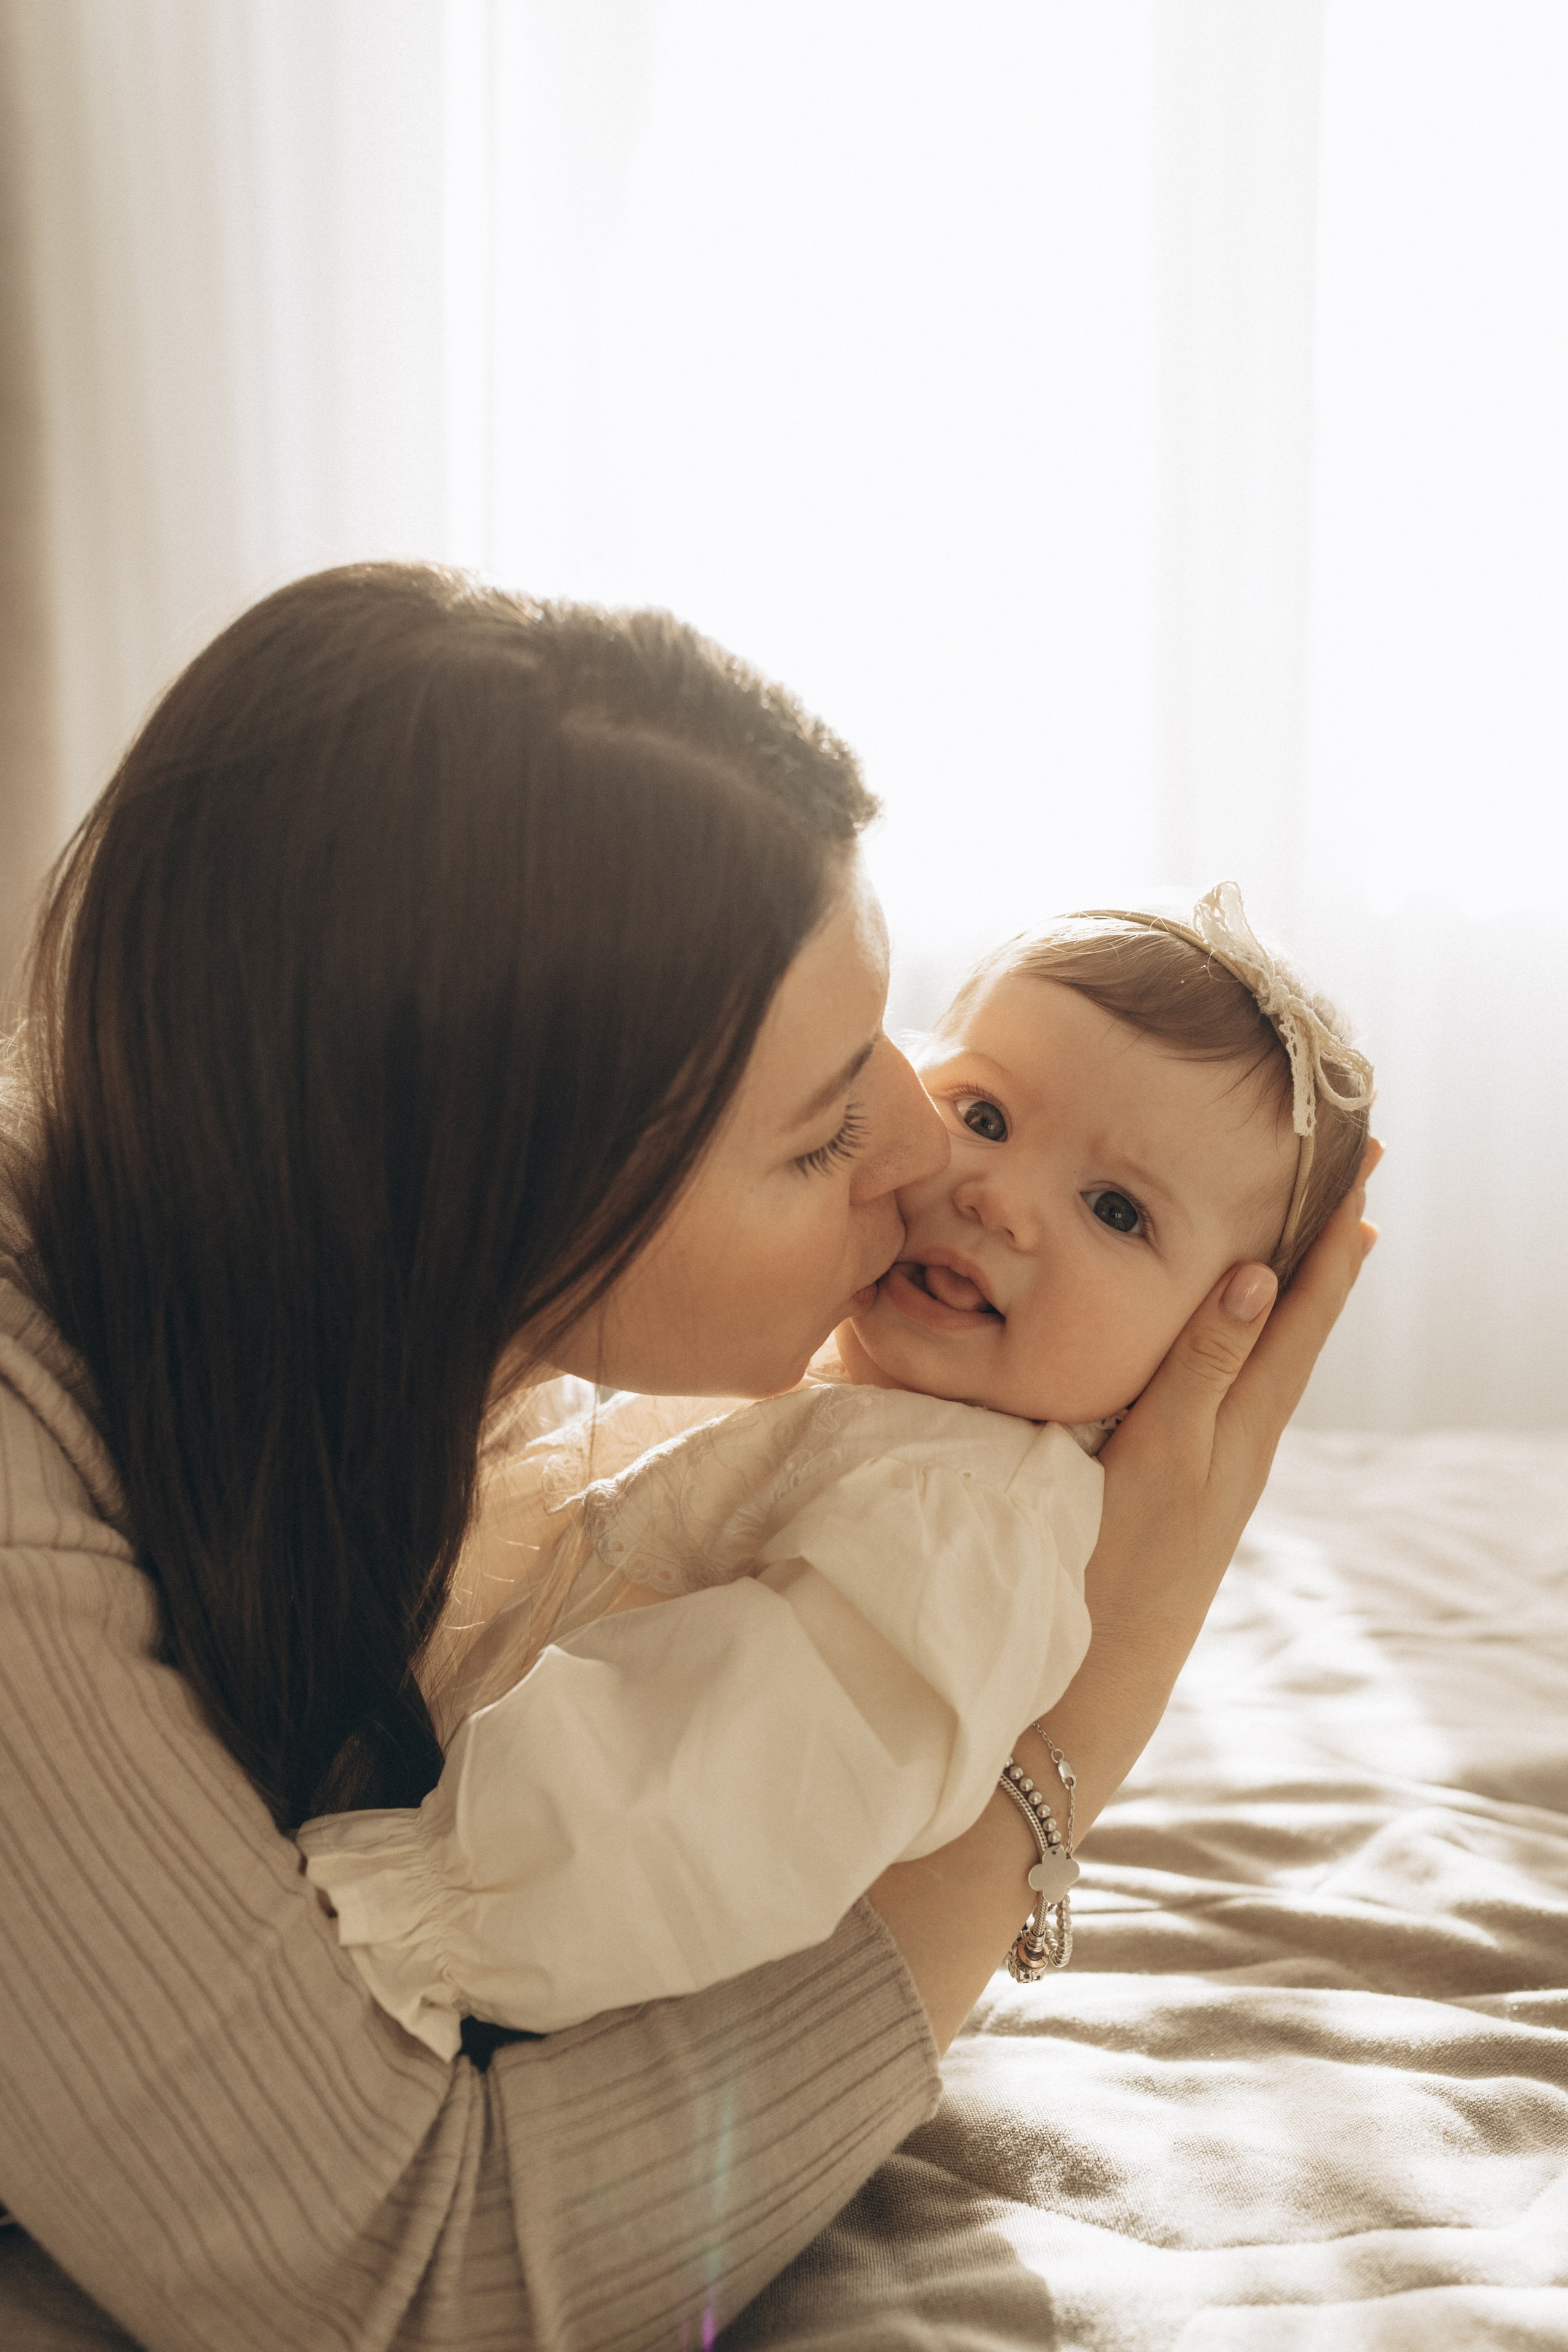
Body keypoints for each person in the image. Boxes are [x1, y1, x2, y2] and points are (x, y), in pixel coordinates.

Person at [0, 563, 1377, 2351]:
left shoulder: (308, 1310)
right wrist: (1077, 1733)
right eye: (827, 1131)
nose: (922, 1150)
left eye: (885, 1042)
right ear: (493, 1199)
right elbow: (409, 2277)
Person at [296, 888, 1374, 2048]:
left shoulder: (968, 1519)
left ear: (1216, 1333)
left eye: (1116, 1210)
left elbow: (711, 1790)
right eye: (986, 1114)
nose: (996, 1199)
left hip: (513, 1970)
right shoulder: (830, 1372)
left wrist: (415, 1911)